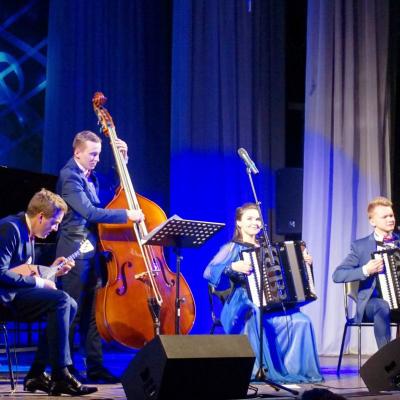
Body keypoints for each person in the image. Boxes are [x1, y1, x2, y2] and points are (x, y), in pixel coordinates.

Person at [55, 130, 144, 383]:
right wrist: (128, 215)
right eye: (92, 154)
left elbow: (108, 199)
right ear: (78, 153)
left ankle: (95, 367)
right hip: (74, 250)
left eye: (98, 155)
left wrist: (122, 166)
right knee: (71, 311)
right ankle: (65, 367)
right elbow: (91, 213)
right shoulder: (69, 176)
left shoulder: (89, 177)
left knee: (93, 313)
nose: (96, 159)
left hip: (93, 250)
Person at [203, 203, 323, 383]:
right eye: (249, 218)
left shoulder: (268, 248)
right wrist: (231, 266)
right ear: (239, 223)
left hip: (269, 303)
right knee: (255, 314)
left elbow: (286, 274)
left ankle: (294, 370)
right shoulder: (231, 247)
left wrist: (305, 262)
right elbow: (208, 272)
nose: (255, 222)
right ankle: (259, 370)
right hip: (241, 303)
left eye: (258, 219)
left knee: (302, 321)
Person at [0, 188, 97, 396]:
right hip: (5, 299)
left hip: (16, 295)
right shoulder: (11, 228)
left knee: (69, 303)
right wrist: (39, 282)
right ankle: (60, 374)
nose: (54, 229)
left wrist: (52, 271)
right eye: (54, 223)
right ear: (41, 216)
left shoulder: (28, 231)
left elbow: (23, 270)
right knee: (62, 300)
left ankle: (35, 374)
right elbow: (0, 273)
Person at [333, 196, 399, 349]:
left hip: (397, 302)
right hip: (372, 304)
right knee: (382, 306)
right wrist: (366, 270)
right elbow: (337, 275)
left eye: (392, 215)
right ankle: (386, 362)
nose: (390, 219)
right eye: (385, 216)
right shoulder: (360, 246)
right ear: (372, 221)